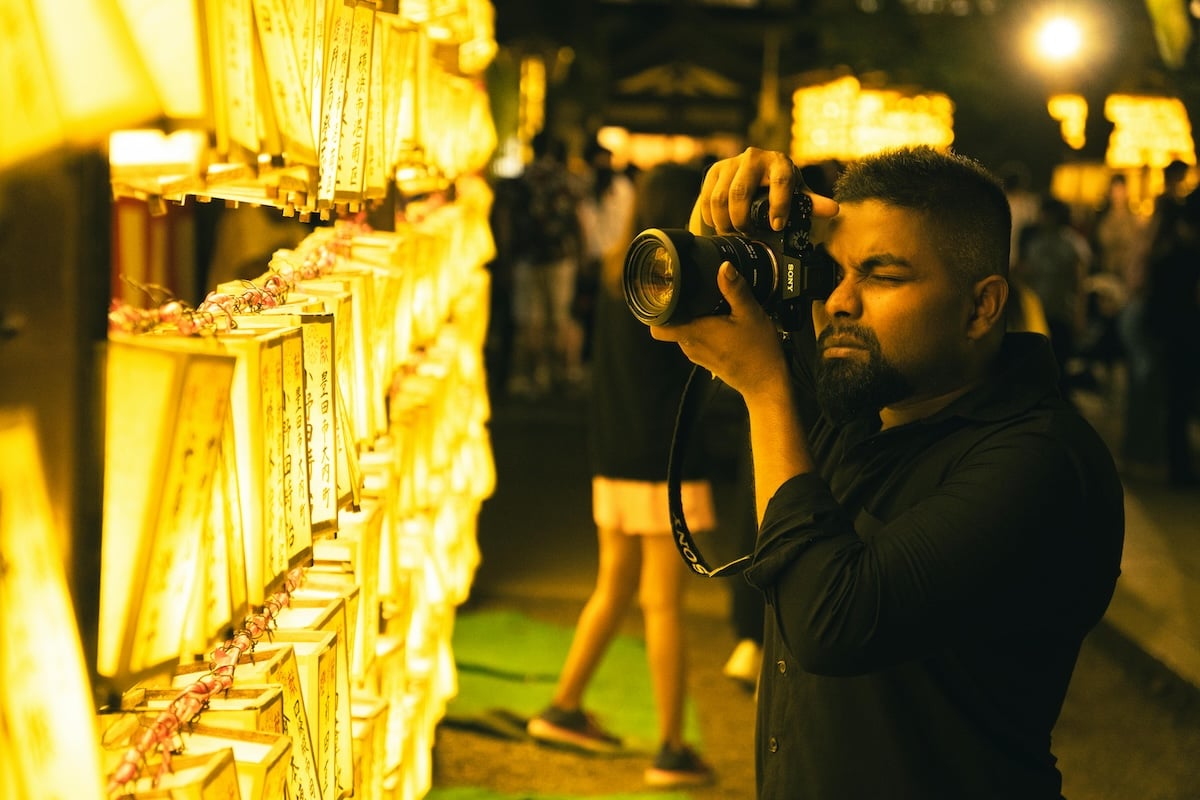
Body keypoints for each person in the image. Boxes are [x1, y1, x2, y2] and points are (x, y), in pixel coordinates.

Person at [650, 146, 1125, 798]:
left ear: (982, 307)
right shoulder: (863, 410)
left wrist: (764, 389)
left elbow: (832, 623)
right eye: (835, 270)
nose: (841, 301)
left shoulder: (1040, 460)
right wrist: (744, 234)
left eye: (882, 275)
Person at [526, 162, 717, 788]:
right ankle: (669, 747)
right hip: (665, 462)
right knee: (662, 605)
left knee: (613, 589)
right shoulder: (682, 279)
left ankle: (563, 706)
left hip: (614, 455)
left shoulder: (618, 273)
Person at [507, 131, 586, 397]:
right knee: (560, 317)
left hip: (527, 257)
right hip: (560, 257)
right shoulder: (566, 180)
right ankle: (560, 373)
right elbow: (578, 220)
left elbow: (507, 219)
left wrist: (508, 255)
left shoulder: (521, 180)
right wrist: (581, 252)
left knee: (530, 320)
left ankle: (532, 376)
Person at [1140, 187, 1200, 487]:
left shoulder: (1168, 255)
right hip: (1183, 336)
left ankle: (1178, 466)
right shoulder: (1181, 257)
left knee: (1176, 402)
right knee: (1179, 401)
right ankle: (1180, 467)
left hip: (1175, 336)